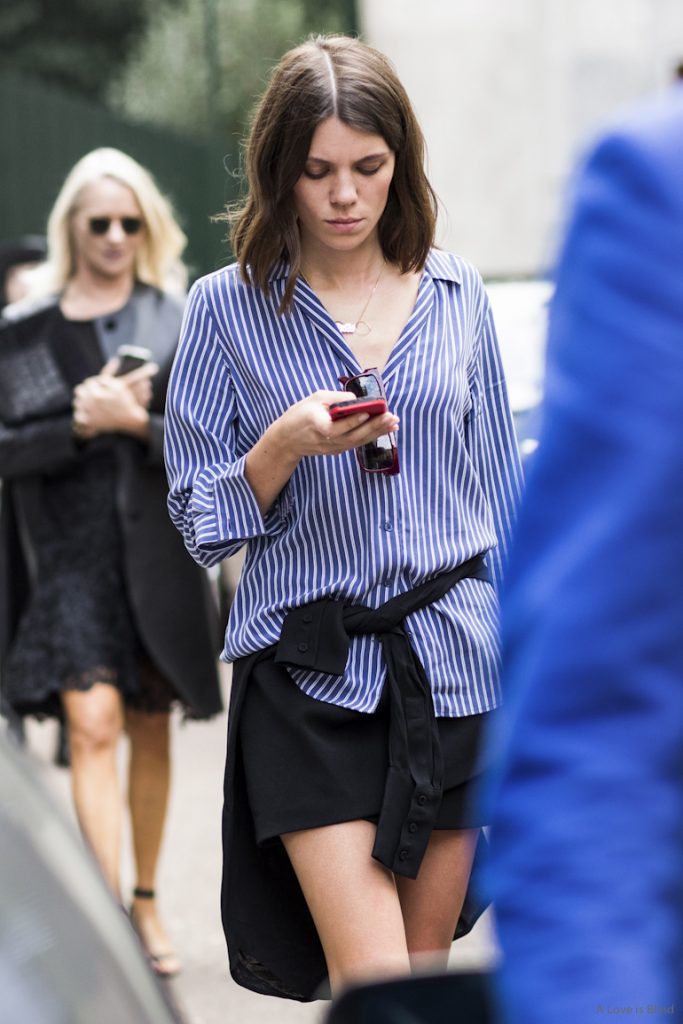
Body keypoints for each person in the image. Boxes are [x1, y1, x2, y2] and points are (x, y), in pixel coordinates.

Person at [164, 34, 522, 1001]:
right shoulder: (223, 311)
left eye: (367, 167)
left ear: (399, 161)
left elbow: (503, 502)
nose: (343, 195)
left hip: (452, 670)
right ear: (279, 172)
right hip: (309, 676)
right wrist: (278, 448)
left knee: (418, 980)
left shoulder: (457, 294)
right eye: (315, 171)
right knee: (370, 979)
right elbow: (198, 525)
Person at [0, 147, 223, 977]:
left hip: (158, 556)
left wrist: (134, 426)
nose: (117, 236)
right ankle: (106, 915)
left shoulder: (178, 317)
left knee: (146, 726)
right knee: (90, 725)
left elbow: (217, 447)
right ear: (72, 228)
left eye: (132, 222)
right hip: (66, 558)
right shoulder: (24, 328)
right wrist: (79, 425)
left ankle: (147, 900)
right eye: (101, 222)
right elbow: (7, 447)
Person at [486, 86, 683, 1021]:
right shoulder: (662, 188)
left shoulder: (447, 297)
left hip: (447, 650)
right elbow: (593, 719)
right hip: (316, 665)